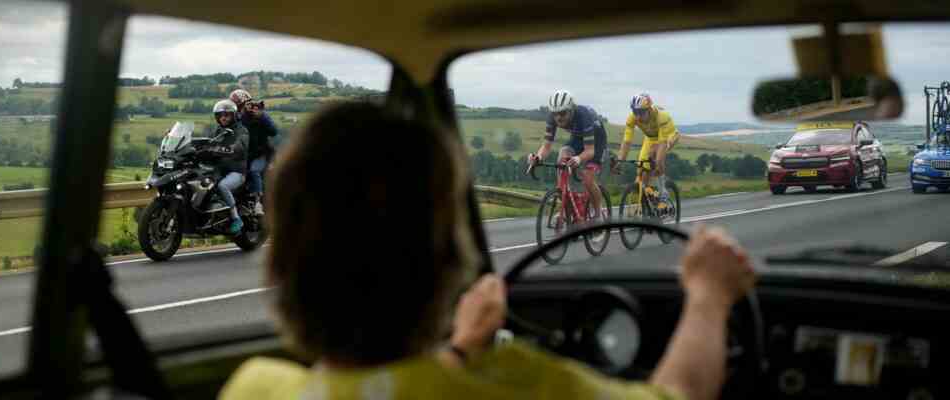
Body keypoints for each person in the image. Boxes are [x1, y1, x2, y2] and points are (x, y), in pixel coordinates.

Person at [220, 102, 756, 400]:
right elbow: (681, 394)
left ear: (281, 265)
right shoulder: (522, 385)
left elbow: (388, 390)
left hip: (599, 156)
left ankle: (596, 210)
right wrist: (709, 293)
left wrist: (456, 353)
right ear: (450, 261)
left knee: (588, 172)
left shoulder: (253, 387)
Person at [528, 90, 607, 217]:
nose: (558, 117)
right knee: (562, 155)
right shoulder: (552, 118)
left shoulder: (583, 116)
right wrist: (538, 157)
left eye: (562, 113)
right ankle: (565, 205)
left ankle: (598, 213)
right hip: (577, 138)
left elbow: (590, 151)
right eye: (555, 113)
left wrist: (578, 159)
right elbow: (546, 146)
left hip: (596, 141)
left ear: (571, 110)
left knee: (587, 179)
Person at [617, 93, 680, 209]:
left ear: (649, 109)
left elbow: (661, 144)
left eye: (641, 113)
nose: (638, 117)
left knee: (656, 159)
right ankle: (648, 195)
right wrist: (620, 160)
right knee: (642, 169)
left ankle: (663, 193)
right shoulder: (632, 118)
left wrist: (656, 162)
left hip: (669, 136)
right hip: (651, 138)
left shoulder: (662, 117)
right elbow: (626, 142)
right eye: (635, 112)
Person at [230, 89, 279, 216]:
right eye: (240, 106)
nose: (245, 108)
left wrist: (261, 116)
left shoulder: (260, 115)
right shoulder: (237, 118)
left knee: (254, 171)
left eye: (248, 104)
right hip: (243, 156)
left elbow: (273, 131)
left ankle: (258, 202)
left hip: (260, 154)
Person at [206, 99, 249, 234]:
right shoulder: (218, 131)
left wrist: (229, 149)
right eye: (221, 115)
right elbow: (209, 143)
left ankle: (236, 218)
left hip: (237, 171)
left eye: (227, 115)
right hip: (220, 169)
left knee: (223, 186)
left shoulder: (241, 130)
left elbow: (240, 146)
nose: (223, 118)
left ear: (233, 116)